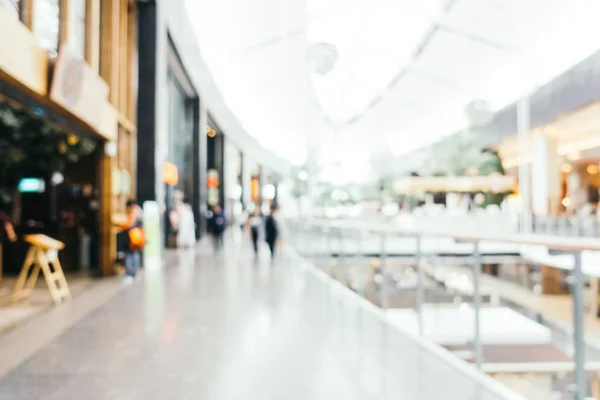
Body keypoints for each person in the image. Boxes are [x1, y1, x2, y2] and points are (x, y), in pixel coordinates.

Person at [119, 199, 144, 280]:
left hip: (132, 236)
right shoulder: (139, 210)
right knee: (135, 254)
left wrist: (121, 227)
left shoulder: (134, 211)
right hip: (138, 235)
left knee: (130, 254)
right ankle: (135, 272)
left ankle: (130, 273)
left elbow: (129, 224)